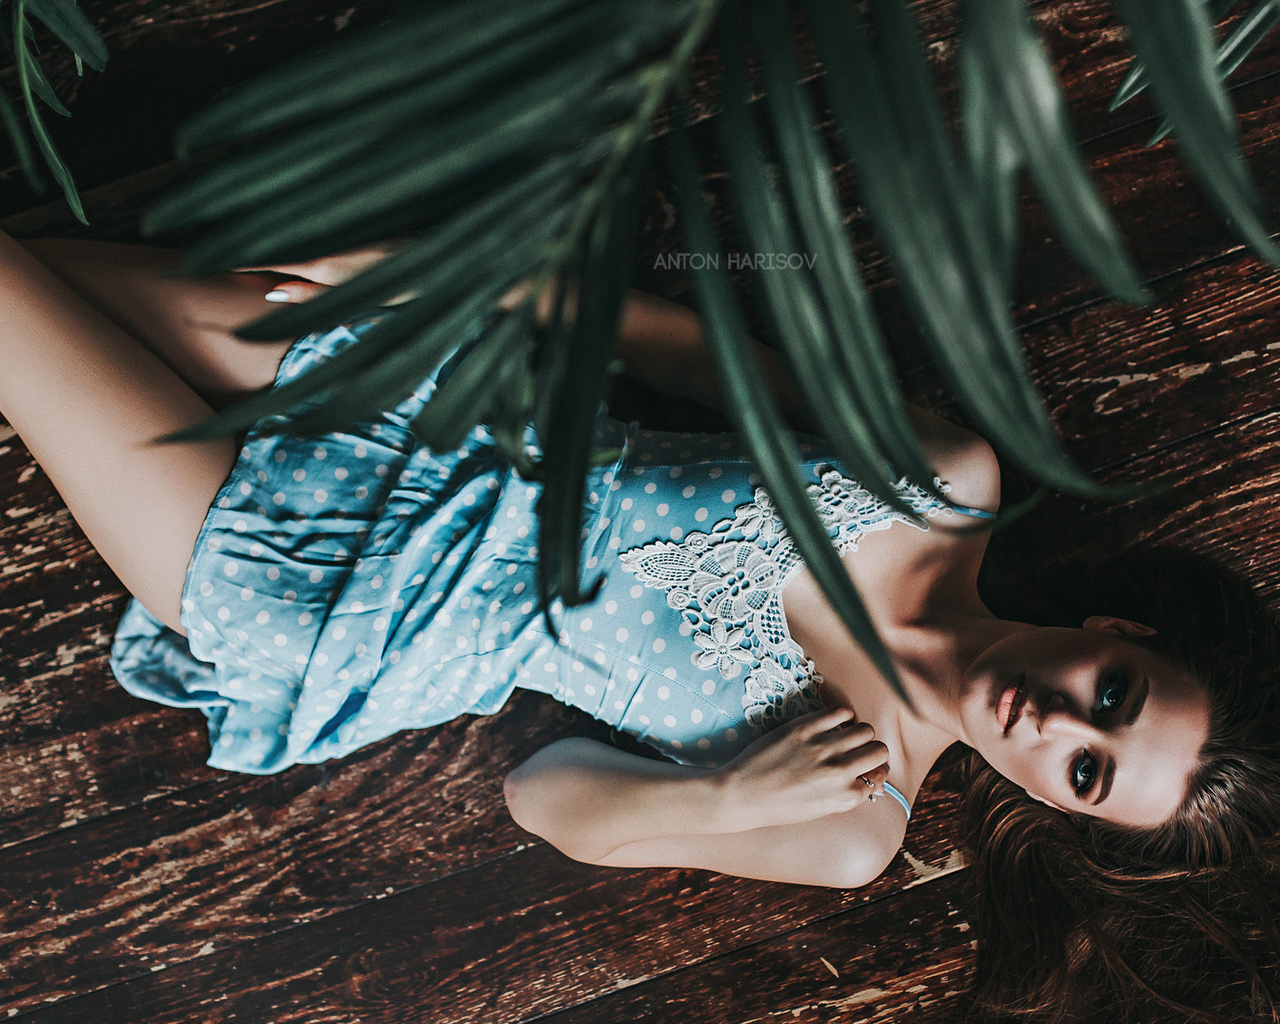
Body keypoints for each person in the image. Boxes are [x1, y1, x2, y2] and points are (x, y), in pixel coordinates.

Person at [2, 231, 1277, 1022]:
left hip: (349, 598)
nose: (1056, 720)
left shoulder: (851, 822)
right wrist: (441, 285)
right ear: (1111, 627)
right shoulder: (946, 481)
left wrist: (726, 801)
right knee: (35, 244)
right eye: (1111, 690)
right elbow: (680, 350)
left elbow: (544, 798)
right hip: (422, 397)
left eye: (1087, 769)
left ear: (1053, 805)